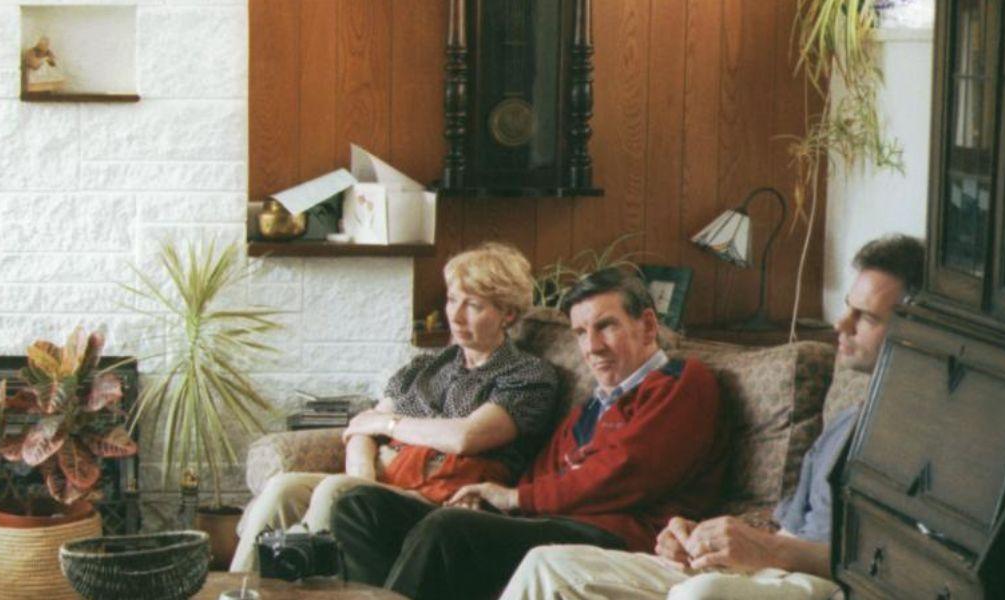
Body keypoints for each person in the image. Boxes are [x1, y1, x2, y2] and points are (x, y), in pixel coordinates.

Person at [498, 235, 925, 600]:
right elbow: (786, 527)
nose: (841, 322)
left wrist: (768, 551)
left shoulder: (925, 438)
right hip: (772, 568)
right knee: (546, 565)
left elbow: (891, 566)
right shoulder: (848, 420)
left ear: (919, 331)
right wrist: (702, 537)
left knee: (698, 595)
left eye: (866, 317)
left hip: (820, 584)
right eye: (848, 306)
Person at [331, 267, 729, 599]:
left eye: (606, 326)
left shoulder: (682, 382)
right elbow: (542, 477)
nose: (591, 346)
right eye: (580, 332)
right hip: (550, 523)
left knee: (446, 529)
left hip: (618, 536)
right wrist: (493, 505)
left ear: (646, 325)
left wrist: (516, 498)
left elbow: (626, 472)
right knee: (361, 506)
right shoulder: (590, 407)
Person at [230, 242, 560, 572]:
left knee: (336, 492)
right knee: (283, 488)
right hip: (387, 485)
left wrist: (388, 425)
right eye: (452, 300)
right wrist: (363, 475)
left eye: (473, 306)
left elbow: (465, 437)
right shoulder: (427, 367)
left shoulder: (528, 375)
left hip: (444, 500)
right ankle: (236, 590)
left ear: (508, 314)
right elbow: (362, 426)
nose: (456, 316)